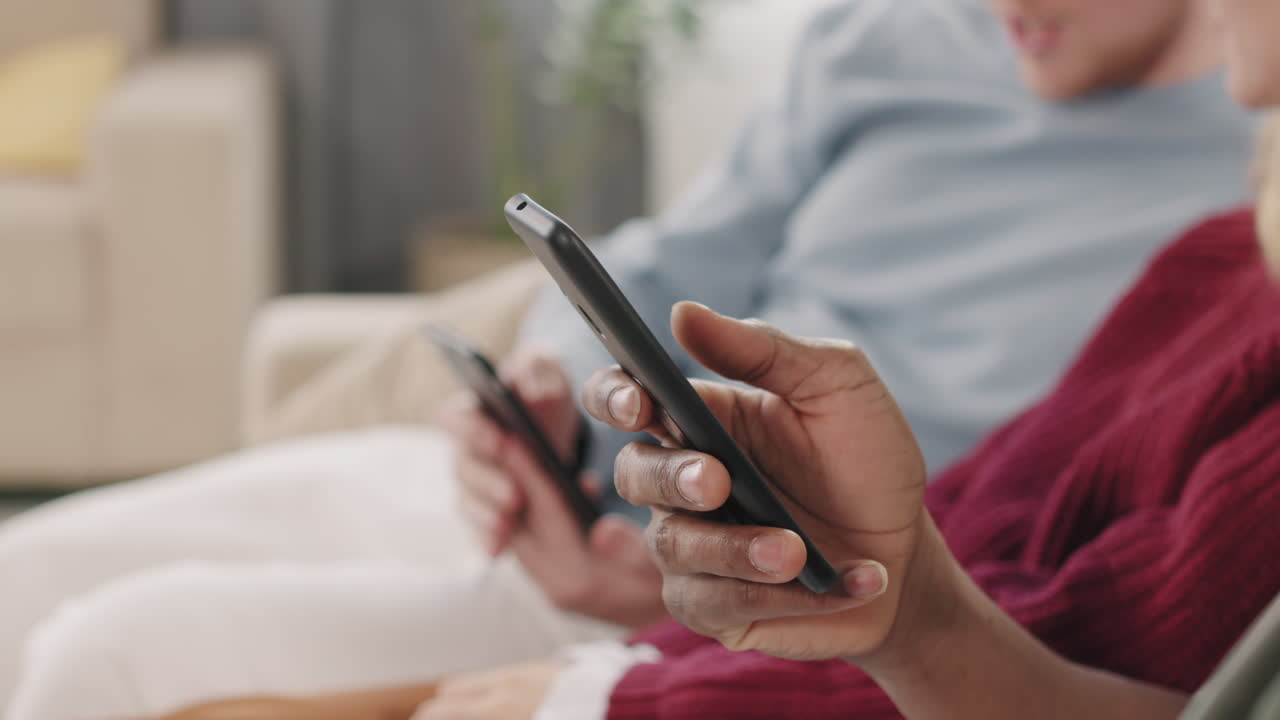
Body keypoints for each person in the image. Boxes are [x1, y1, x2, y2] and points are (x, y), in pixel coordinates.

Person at [0, 0, 1259, 717]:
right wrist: (548, 398)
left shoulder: (1237, 177)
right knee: (20, 577)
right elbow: (671, 255)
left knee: (102, 660)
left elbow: (1022, 527)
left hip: (706, 576)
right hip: (552, 494)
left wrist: (747, 556)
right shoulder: (891, 38)